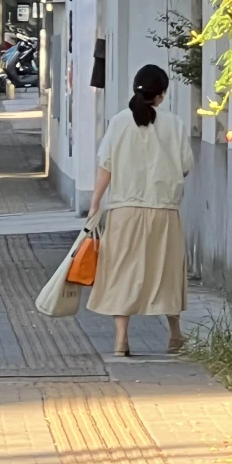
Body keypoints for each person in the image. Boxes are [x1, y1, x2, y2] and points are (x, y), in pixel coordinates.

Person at [85, 64, 193, 357]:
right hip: (163, 210)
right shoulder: (174, 124)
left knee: (122, 271)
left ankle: (121, 340)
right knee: (166, 270)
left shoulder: (119, 122)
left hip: (123, 209)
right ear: (161, 94)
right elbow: (184, 167)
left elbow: (105, 166)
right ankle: (174, 335)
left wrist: (95, 204)